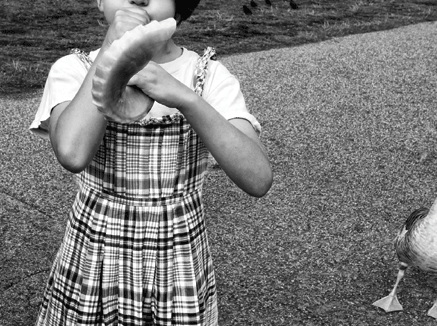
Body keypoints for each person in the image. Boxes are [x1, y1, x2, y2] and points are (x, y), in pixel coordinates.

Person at [29, 0, 273, 325]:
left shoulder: (209, 76)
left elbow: (257, 179)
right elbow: (72, 153)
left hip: (178, 261)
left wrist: (186, 98)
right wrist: (111, 50)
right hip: (97, 258)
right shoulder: (74, 70)